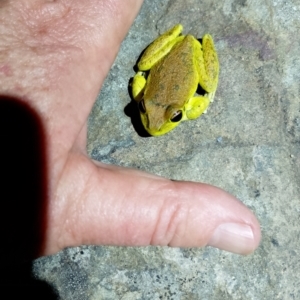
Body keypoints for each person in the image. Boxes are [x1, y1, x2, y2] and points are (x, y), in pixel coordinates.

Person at [0, 0, 260, 258]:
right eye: (144, 109)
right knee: (144, 68)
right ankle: (172, 36)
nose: (153, 125)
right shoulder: (149, 102)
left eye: (174, 116)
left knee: (196, 82)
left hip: (189, 59)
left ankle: (179, 38)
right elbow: (141, 82)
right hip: (165, 74)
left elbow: (163, 90)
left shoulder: (181, 107)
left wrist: (183, 107)